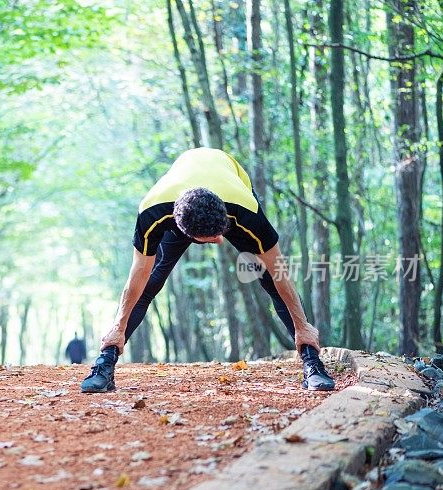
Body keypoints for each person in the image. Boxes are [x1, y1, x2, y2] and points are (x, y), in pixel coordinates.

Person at [80, 147, 334, 393]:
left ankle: (312, 363)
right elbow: (136, 277)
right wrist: (118, 326)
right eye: (211, 240)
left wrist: (302, 327)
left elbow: (281, 273)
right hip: (179, 201)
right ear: (183, 232)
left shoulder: (247, 212)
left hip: (231, 190)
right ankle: (106, 361)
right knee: (150, 282)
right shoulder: (153, 212)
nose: (220, 242)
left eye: (219, 235)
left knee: (270, 280)